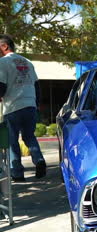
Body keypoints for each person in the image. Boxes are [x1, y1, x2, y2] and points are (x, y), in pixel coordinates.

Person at [0, 34, 46, 182]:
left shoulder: (3, 62)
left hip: (13, 106)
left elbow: (1, 85)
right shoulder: (28, 62)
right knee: (29, 136)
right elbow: (37, 85)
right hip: (30, 105)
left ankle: (18, 173)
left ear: (5, 46)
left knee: (12, 141)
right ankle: (38, 159)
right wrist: (36, 104)